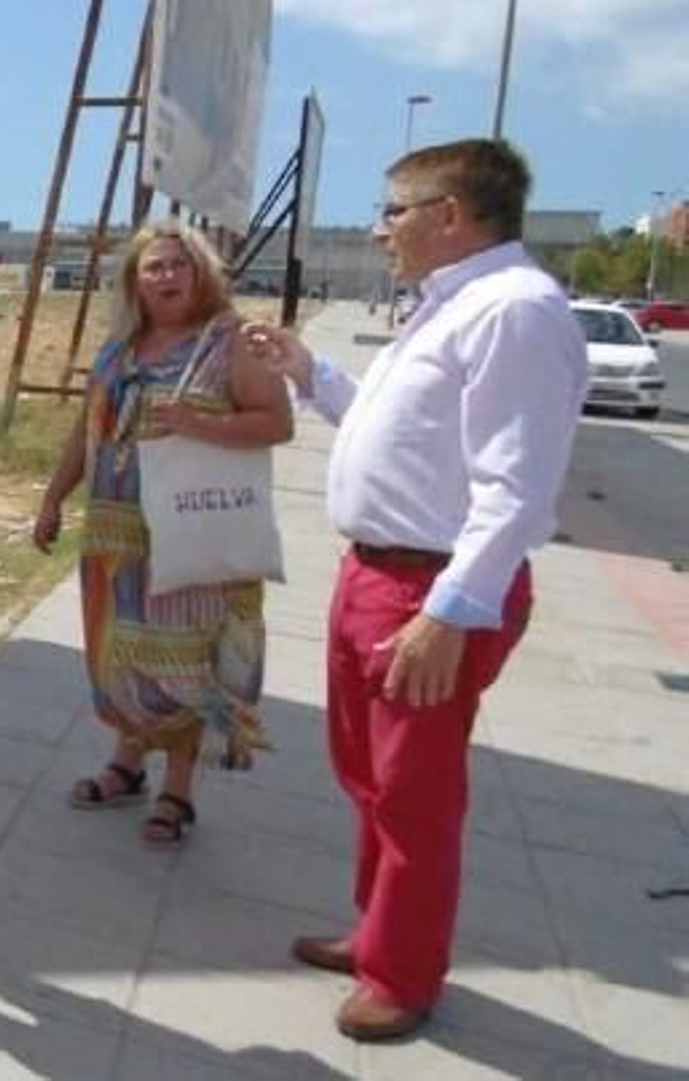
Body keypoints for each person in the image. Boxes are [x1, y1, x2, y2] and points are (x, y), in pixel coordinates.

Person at [245, 138, 587, 1041]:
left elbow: (515, 489)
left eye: (394, 210)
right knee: (368, 777)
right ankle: (377, 930)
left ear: (451, 215)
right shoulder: (448, 305)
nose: (379, 228)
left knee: (415, 793)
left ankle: (402, 973)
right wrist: (309, 372)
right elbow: (397, 429)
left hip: (430, 593)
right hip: (378, 574)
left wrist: (447, 615)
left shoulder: (514, 311)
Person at [33, 221, 292, 847]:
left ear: (201, 272)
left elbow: (277, 422)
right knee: (122, 655)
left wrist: (197, 426)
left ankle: (178, 790)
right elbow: (84, 431)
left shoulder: (229, 341)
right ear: (134, 282)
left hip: (192, 536)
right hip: (115, 539)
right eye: (154, 267)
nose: (168, 276)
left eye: (179, 264)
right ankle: (127, 764)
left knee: (182, 663)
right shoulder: (119, 348)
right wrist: (52, 499)